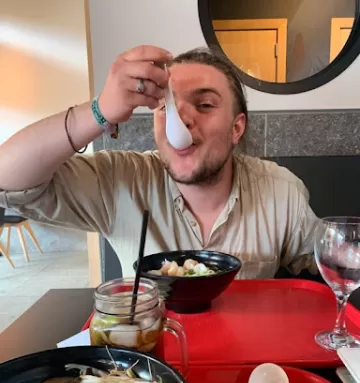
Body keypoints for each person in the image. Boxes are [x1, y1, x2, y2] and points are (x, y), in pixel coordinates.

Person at [0, 45, 319, 278]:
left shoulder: (281, 191)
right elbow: (8, 177)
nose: (181, 119)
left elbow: (327, 260)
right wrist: (100, 110)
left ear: (236, 128)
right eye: (166, 107)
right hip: (149, 364)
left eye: (205, 105)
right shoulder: (119, 181)